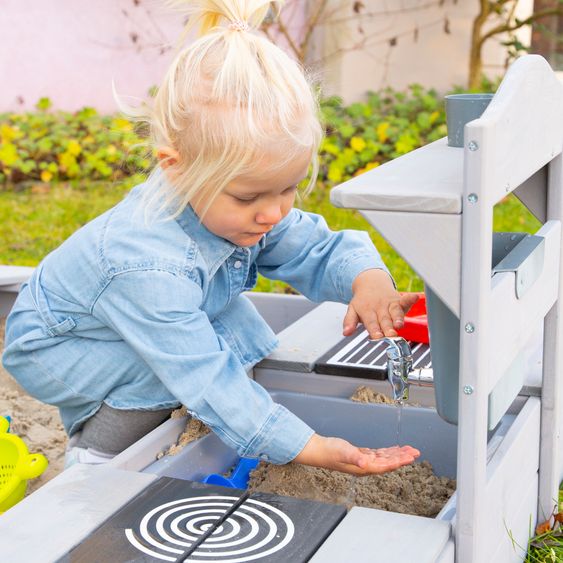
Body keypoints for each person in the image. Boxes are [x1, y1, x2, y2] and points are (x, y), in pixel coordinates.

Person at [2, 0, 420, 473]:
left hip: (127, 317)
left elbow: (317, 247)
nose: (272, 213)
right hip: (59, 346)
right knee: (165, 370)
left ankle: (184, 426)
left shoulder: (243, 204)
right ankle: (99, 455)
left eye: (288, 188)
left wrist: (367, 279)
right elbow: (203, 375)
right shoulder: (145, 262)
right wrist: (305, 445)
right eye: (248, 197)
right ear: (175, 170)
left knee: (229, 331)